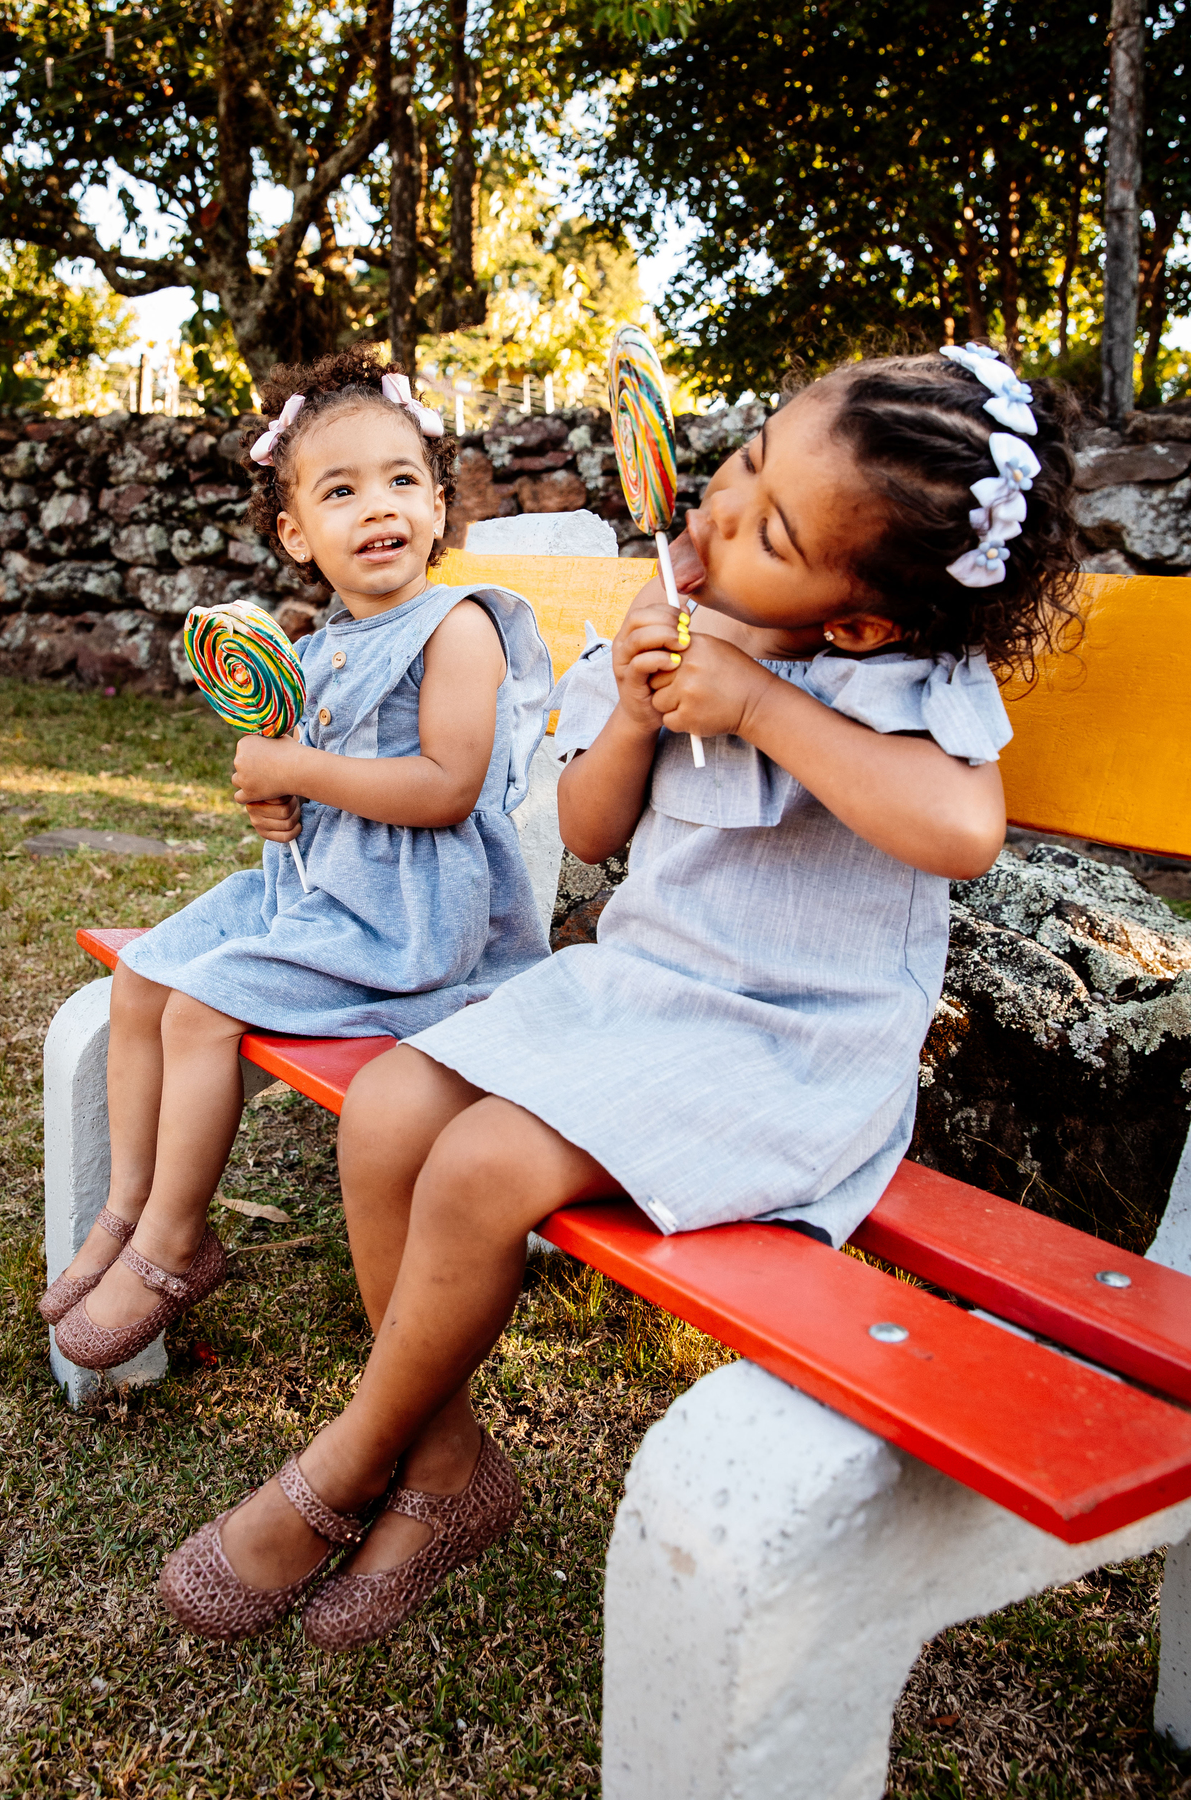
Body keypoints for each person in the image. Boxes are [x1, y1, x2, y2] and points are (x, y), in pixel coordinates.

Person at [158, 346, 1081, 1647]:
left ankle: (342, 1471)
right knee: (386, 1114)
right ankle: (445, 1465)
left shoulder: (900, 681)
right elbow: (589, 831)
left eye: (767, 526)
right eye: (746, 461)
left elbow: (959, 829)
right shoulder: (668, 615)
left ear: (863, 618)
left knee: (478, 1168)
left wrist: (757, 700)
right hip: (636, 990)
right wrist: (642, 716)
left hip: (786, 1048)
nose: (716, 510)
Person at [42, 346, 553, 1373]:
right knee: (144, 977)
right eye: (342, 489)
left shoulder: (459, 629)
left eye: (403, 481)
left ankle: (177, 1244)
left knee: (200, 1009)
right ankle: (131, 1208)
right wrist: (269, 791)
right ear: (296, 532)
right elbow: (299, 775)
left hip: (415, 917)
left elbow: (445, 787)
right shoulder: (313, 647)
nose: (380, 507)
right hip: (318, 892)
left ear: (440, 505)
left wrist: (301, 770)